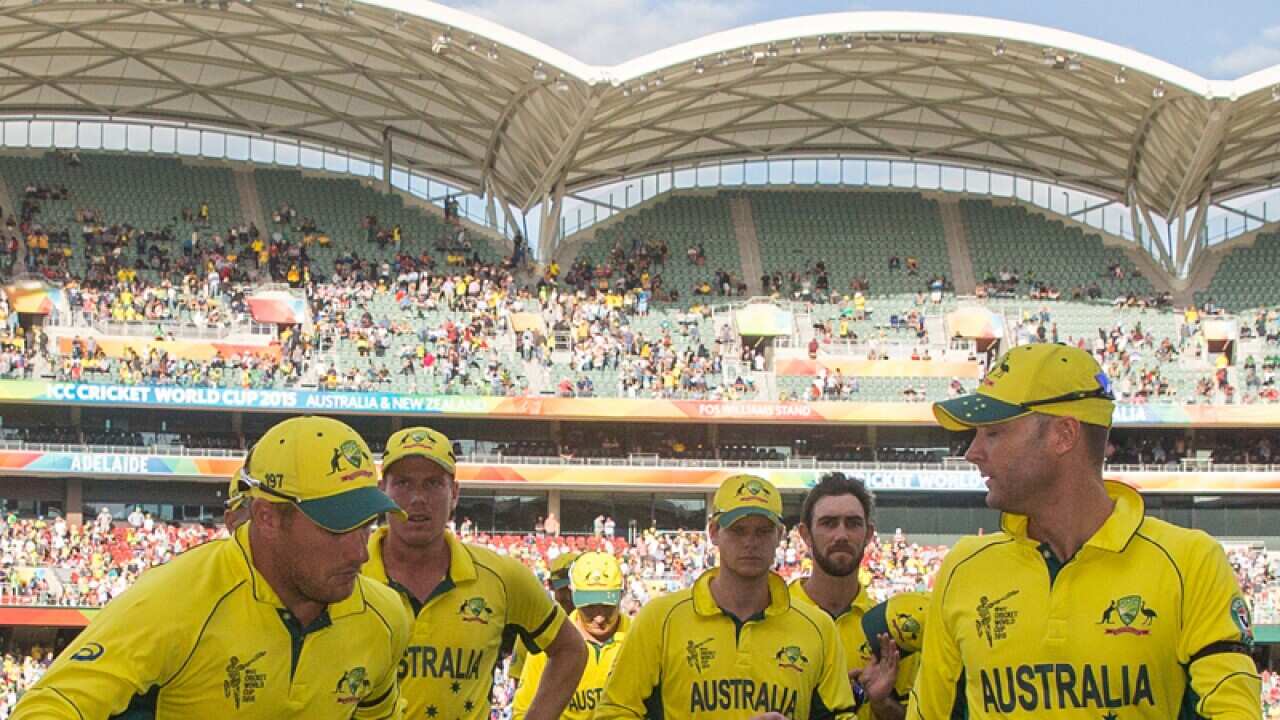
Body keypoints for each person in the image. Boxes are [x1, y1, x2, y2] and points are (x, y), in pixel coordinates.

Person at [911, 343, 1261, 718]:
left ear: (1064, 435)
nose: (972, 452)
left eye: (993, 433)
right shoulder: (963, 568)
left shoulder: (1190, 563)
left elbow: (1233, 709)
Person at [12, 416, 411, 718]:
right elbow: (51, 705)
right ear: (268, 517)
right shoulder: (174, 599)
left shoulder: (384, 617)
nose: (360, 554)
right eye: (336, 529)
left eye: (367, 527)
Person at [363, 426, 586, 720]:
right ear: (383, 491)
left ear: (454, 493)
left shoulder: (501, 576)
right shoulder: (347, 571)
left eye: (432, 483)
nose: (417, 498)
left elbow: (570, 650)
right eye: (403, 483)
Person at [596, 473, 857, 719]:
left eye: (763, 531)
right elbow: (615, 711)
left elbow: (841, 715)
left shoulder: (817, 627)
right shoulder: (661, 619)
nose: (750, 542)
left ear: (780, 535)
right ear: (714, 533)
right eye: (738, 530)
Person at [792, 473, 919, 720]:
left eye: (853, 523)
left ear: (869, 534)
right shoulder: (775, 615)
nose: (841, 535)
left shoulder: (891, 630)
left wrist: (881, 703)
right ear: (805, 534)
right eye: (829, 523)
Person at [514, 552, 630, 720]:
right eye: (589, 607)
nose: (599, 617)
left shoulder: (638, 639)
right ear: (573, 594)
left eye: (607, 607)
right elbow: (523, 711)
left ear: (622, 595)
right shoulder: (551, 642)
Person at [510, 551, 580, 685]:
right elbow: (518, 679)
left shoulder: (600, 627)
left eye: (573, 589)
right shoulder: (533, 626)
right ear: (551, 586)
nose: (569, 596)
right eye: (564, 589)